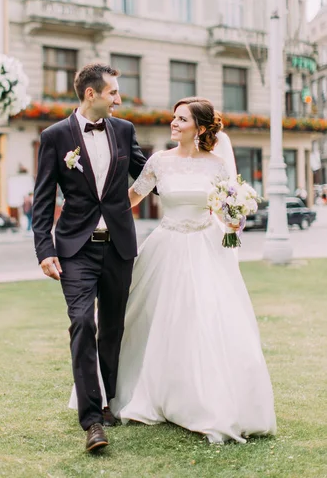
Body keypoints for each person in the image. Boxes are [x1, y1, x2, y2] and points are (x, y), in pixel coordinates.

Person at [109, 97, 277, 444]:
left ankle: (204, 399)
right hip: (166, 246)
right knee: (152, 318)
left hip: (206, 246)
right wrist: (93, 209)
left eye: (181, 119)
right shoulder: (159, 162)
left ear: (199, 129)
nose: (173, 123)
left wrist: (235, 212)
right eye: (173, 117)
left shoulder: (217, 165)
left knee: (205, 319)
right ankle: (152, 389)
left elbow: (229, 214)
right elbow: (132, 198)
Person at [32, 62, 149, 453]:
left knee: (112, 327)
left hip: (118, 247)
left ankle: (110, 400)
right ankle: (92, 420)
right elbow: (44, 198)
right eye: (114, 92)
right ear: (91, 94)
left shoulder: (124, 130)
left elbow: (148, 173)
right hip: (75, 249)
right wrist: (44, 250)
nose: (119, 98)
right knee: (82, 322)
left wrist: (192, 173)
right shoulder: (54, 136)